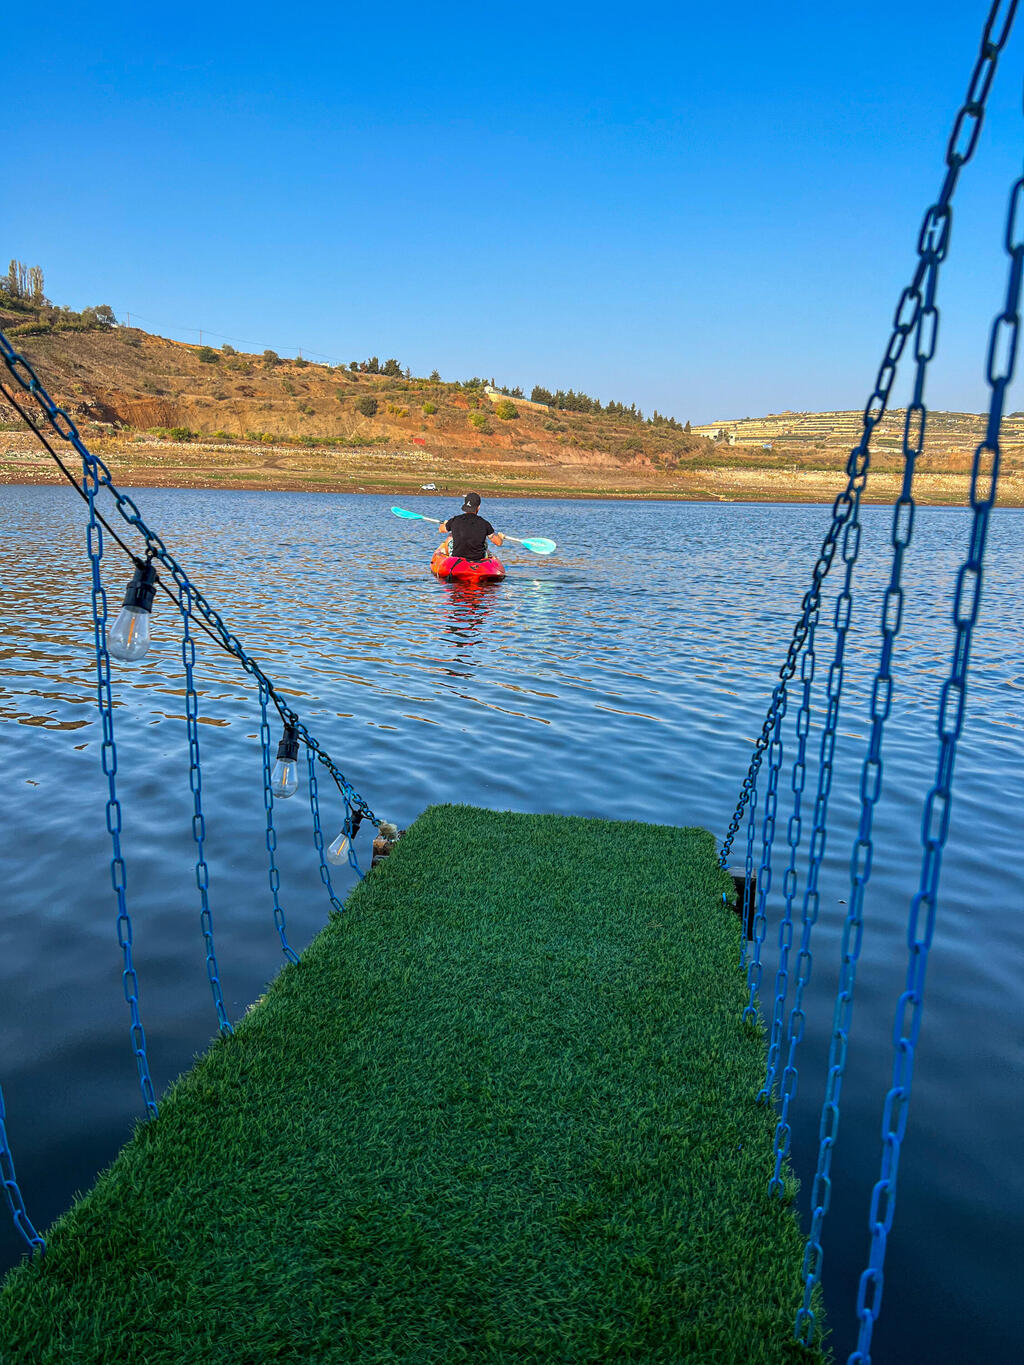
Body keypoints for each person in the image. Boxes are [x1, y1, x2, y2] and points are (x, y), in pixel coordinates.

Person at [437, 492, 504, 561]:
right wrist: (500, 537)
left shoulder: (455, 520)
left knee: (450, 536)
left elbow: (441, 529)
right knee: (485, 541)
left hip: (458, 558)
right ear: (478, 507)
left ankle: (448, 558)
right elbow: (498, 543)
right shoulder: (484, 523)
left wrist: (445, 523)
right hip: (478, 558)